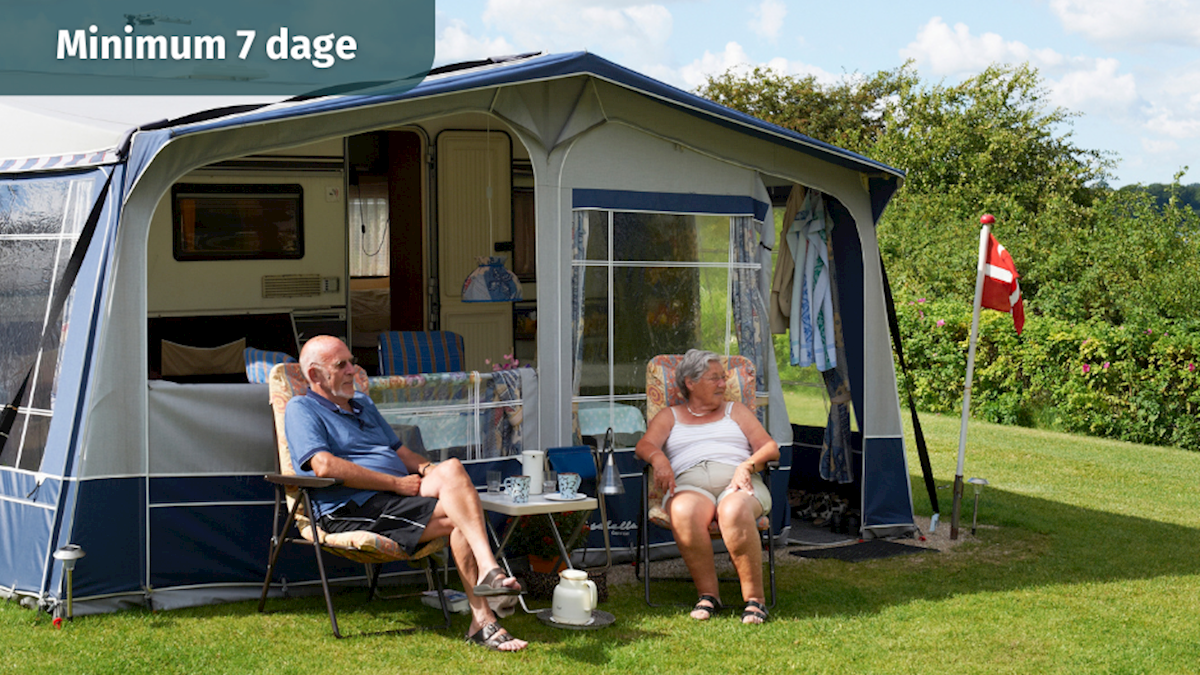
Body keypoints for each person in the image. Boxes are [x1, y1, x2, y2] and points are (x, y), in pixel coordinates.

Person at [284, 335, 527, 652]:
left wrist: (428, 469)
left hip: (396, 497)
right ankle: (483, 619)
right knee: (460, 520)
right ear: (315, 375)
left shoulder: (363, 404)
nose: (352, 370)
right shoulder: (301, 408)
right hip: (353, 506)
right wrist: (396, 484)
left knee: (452, 468)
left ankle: (488, 572)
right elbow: (324, 466)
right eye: (341, 365)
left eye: (352, 362)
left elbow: (399, 452)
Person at [634, 349, 780, 624]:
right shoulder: (670, 415)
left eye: (724, 378)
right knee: (685, 511)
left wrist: (747, 465)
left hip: (738, 480)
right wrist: (659, 459)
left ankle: (755, 601)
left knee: (734, 510)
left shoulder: (735, 411)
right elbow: (645, 445)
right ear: (690, 382)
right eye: (715, 378)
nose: (723, 384)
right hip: (690, 483)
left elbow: (770, 447)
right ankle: (708, 595)